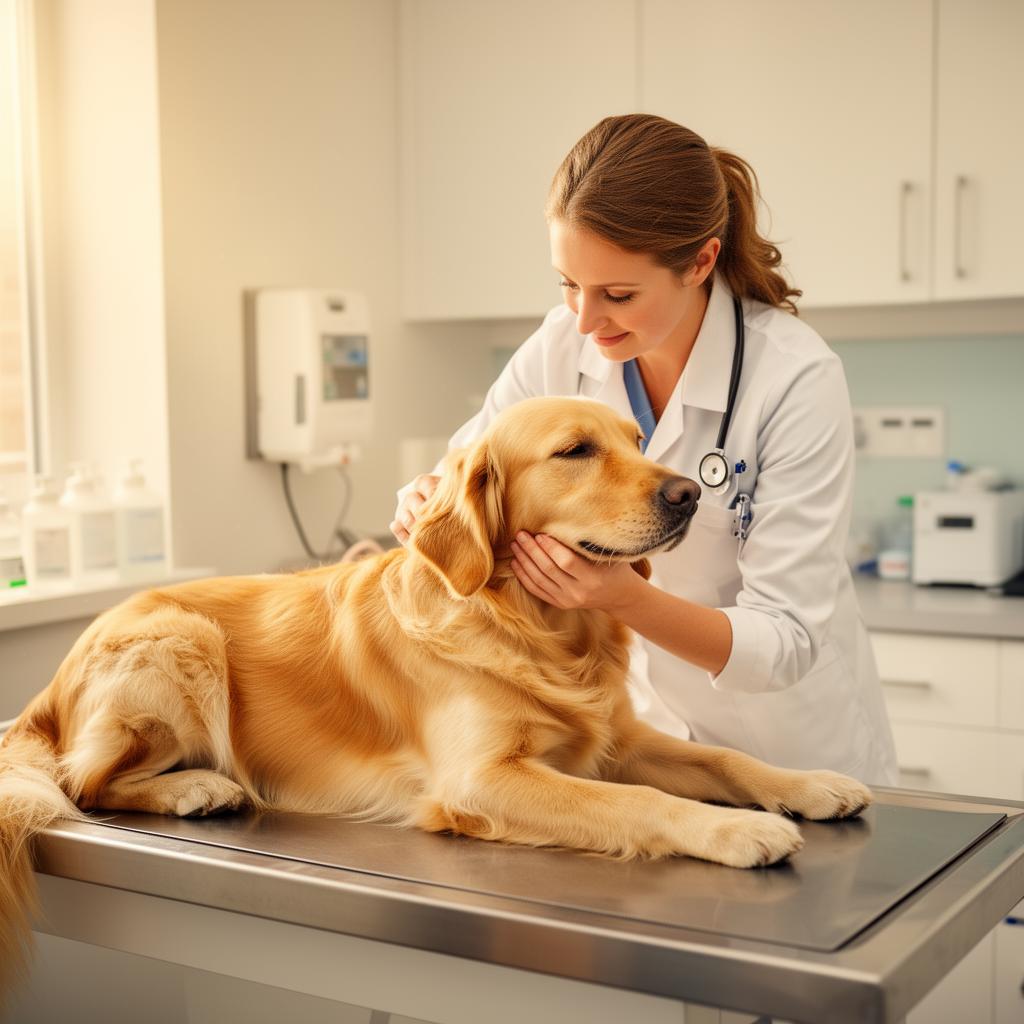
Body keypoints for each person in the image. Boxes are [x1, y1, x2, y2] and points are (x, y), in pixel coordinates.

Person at [391, 113, 897, 786]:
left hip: (787, 750)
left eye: (618, 294)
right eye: (567, 284)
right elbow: (466, 473)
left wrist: (620, 598)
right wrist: (422, 500)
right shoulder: (562, 345)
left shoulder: (793, 378)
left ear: (700, 261)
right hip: (641, 748)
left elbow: (786, 641)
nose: (584, 319)